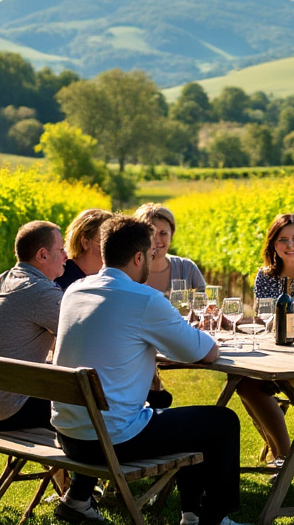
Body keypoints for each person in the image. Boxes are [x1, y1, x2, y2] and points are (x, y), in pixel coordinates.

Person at [51, 215, 245, 525]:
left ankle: (190, 516)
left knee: (188, 420)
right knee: (222, 421)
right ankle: (212, 518)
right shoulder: (145, 299)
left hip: (69, 433)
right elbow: (205, 352)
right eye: (150, 256)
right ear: (139, 257)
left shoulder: (76, 290)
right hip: (112, 440)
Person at [237, 213, 294, 465]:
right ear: (273, 245)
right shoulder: (265, 276)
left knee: (249, 384)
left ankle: (283, 457)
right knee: (243, 383)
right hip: (274, 355)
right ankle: (285, 454)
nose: (290, 246)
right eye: (283, 240)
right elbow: (263, 319)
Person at [0, 220, 67, 430]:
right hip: (3, 412)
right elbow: (80, 339)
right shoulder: (40, 292)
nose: (66, 256)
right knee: (88, 407)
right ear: (42, 255)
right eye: (61, 249)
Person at [133, 203, 206, 295]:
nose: (157, 240)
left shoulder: (187, 270)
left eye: (163, 233)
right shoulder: (129, 272)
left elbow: (205, 306)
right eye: (151, 234)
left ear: (171, 235)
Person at [55, 208, 113, 291]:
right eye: (105, 244)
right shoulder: (60, 280)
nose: (113, 250)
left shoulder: (111, 280)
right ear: (85, 242)